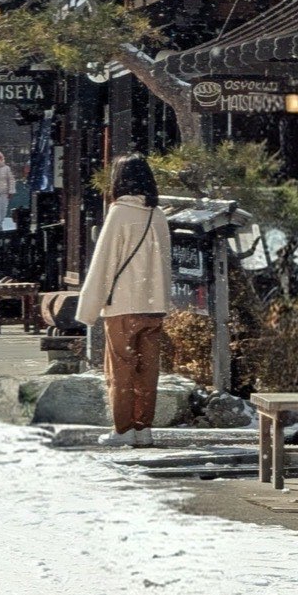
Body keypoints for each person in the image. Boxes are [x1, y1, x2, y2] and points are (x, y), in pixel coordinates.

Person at [76, 154, 172, 448]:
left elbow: (103, 263)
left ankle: (123, 429)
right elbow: (165, 265)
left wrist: (88, 309)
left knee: (120, 369)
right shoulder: (158, 216)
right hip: (153, 306)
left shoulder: (119, 214)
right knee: (148, 370)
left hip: (123, 307)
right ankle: (144, 428)